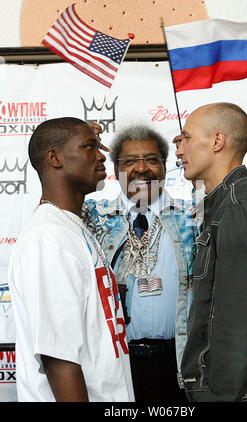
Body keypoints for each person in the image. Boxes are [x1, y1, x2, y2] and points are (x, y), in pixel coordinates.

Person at [174, 102, 247, 402]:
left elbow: (243, 323)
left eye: (186, 138)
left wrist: (221, 396)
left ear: (217, 141)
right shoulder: (227, 204)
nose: (178, 151)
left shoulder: (244, 206)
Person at [8, 117, 134, 402]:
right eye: (89, 147)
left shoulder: (70, 227)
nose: (101, 155)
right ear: (55, 158)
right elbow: (59, 358)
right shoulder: (49, 239)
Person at [82, 124, 194, 402]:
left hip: (179, 363)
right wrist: (80, 141)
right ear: (116, 169)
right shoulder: (94, 217)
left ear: (167, 167)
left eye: (152, 159)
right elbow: (53, 207)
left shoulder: (192, 218)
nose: (141, 168)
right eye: (130, 161)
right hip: (117, 362)